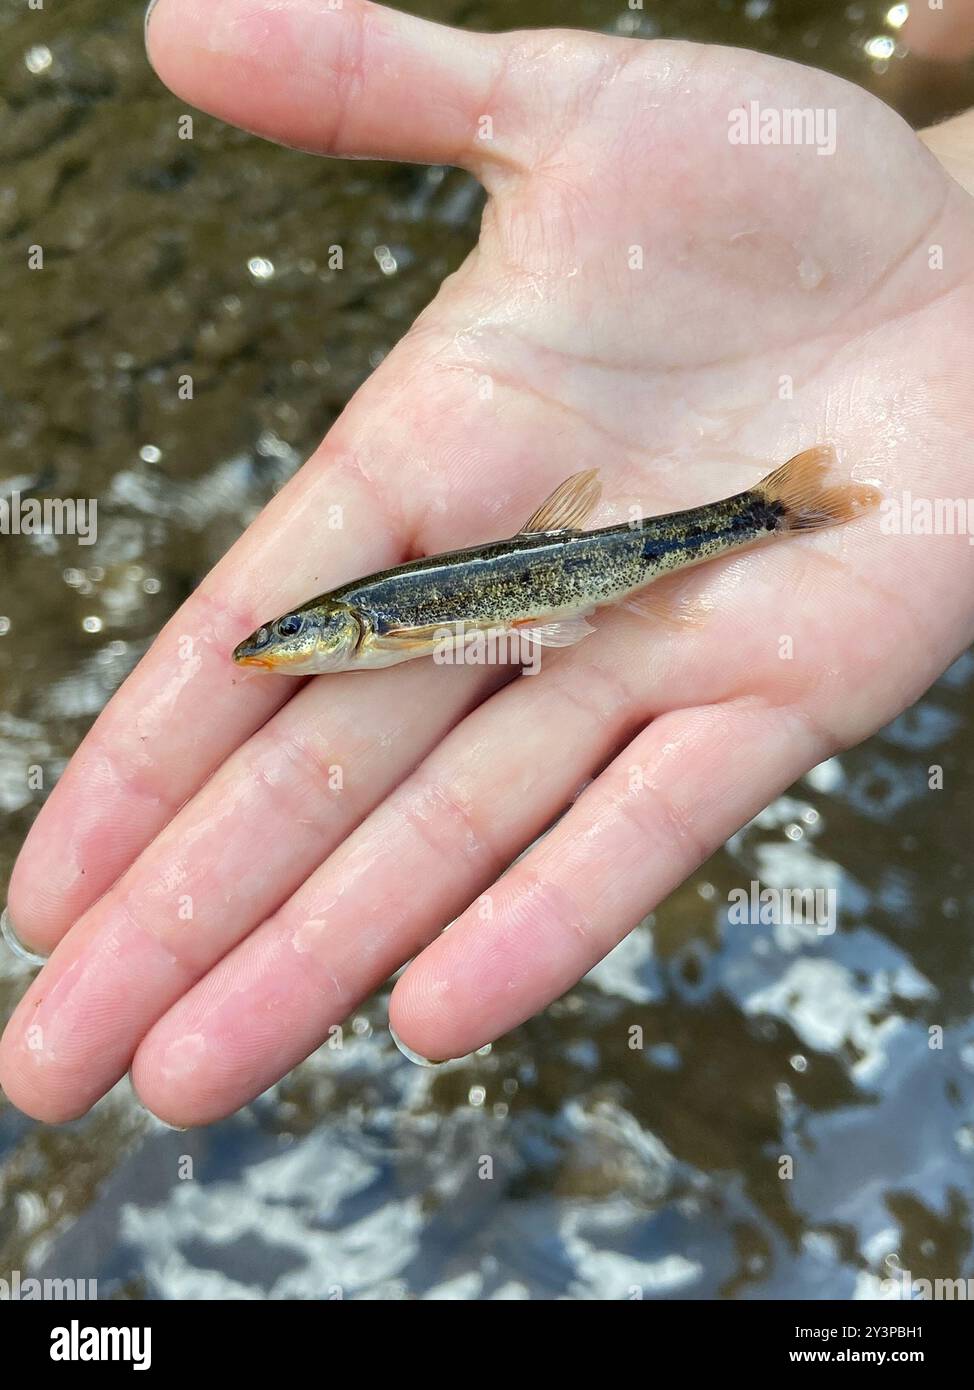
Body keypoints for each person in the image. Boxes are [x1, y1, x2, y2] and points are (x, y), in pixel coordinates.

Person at [2, 0, 973, 1126]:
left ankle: (772, 504)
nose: (279, 650)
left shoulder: (381, 628)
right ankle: (932, 115)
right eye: (287, 640)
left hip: (594, 563)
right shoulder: (373, 628)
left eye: (290, 637)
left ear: (336, 635)